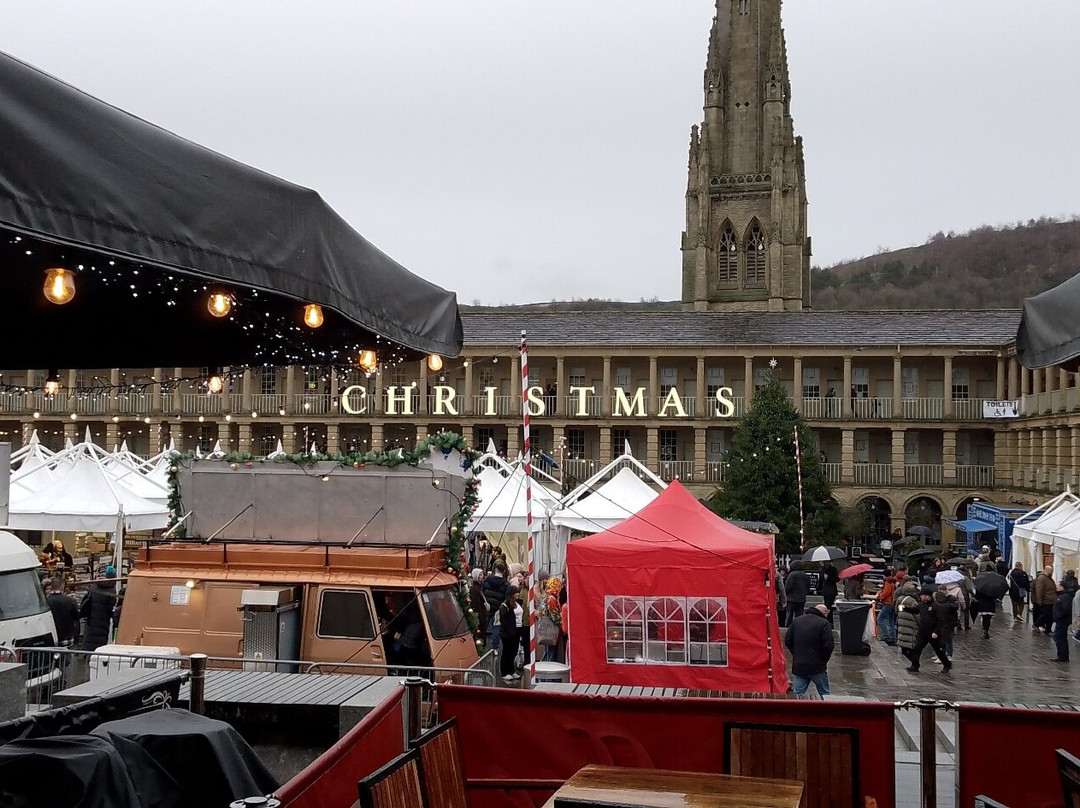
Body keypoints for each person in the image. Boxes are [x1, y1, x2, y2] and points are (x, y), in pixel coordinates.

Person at [784, 604, 834, 697]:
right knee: (825, 694)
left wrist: (796, 653)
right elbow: (829, 646)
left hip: (800, 665)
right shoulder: (824, 623)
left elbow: (788, 640)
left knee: (798, 695)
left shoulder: (797, 621)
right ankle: (828, 711)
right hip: (817, 667)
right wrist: (823, 660)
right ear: (824, 612)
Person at [906, 584, 952, 673]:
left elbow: (941, 620)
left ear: (927, 596)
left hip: (933, 633)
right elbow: (914, 610)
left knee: (938, 650)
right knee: (917, 648)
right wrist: (905, 608)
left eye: (922, 596)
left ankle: (947, 664)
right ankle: (915, 665)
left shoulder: (936, 606)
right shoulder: (921, 605)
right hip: (923, 632)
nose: (921, 597)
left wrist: (936, 632)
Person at [80, 566, 118, 652]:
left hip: (91, 619)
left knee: (89, 639)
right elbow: (110, 607)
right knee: (100, 642)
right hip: (103, 620)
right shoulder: (111, 590)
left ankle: (86, 654)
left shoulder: (94, 585)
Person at [482, 559, 510, 649]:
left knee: (484, 625)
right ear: (504, 570)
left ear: (494, 569)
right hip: (498, 608)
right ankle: (495, 647)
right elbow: (506, 597)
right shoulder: (505, 584)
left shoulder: (487, 580)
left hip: (488, 606)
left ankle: (481, 645)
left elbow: (483, 591)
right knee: (496, 627)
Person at [498, 586, 523, 682]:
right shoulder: (505, 606)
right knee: (506, 652)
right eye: (516, 593)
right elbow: (504, 621)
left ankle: (512, 670)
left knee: (513, 652)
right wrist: (509, 631)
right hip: (507, 633)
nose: (518, 594)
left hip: (517, 631)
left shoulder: (517, 603)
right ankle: (505, 672)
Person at [46, 577, 80, 647]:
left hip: (52, 636)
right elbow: (76, 617)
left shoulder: (45, 601)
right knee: (67, 656)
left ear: (51, 586)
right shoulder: (70, 600)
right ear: (62, 586)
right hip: (67, 635)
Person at [931, 586, 960, 662]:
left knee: (948, 639)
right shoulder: (939, 599)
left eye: (942, 590)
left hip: (950, 622)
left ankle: (949, 654)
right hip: (943, 622)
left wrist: (946, 605)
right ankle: (941, 654)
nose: (940, 592)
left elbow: (955, 606)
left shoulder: (951, 598)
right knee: (941, 638)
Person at [895, 577, 921, 662]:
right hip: (911, 625)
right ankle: (914, 662)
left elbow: (897, 610)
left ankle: (912, 662)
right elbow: (917, 615)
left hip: (902, 624)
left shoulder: (900, 599)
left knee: (903, 644)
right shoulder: (913, 601)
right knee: (911, 644)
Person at [784, 562, 811, 627]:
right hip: (802, 598)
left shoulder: (792, 574)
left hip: (791, 598)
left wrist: (785, 593)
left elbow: (788, 586)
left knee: (789, 615)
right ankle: (798, 627)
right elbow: (808, 586)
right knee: (799, 615)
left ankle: (788, 627)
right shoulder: (805, 575)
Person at [875, 569, 897, 645]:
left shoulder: (888, 582)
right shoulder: (892, 581)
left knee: (880, 619)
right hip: (892, 603)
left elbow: (886, 593)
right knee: (891, 621)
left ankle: (886, 636)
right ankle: (892, 637)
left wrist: (878, 596)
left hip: (888, 603)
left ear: (884, 575)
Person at [1052, 580, 1072, 663]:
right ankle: (1061, 655)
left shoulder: (1064, 597)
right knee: (1058, 637)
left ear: (1062, 586)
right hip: (1060, 620)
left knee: (1060, 638)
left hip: (1062, 621)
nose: (1056, 586)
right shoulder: (1061, 596)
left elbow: (1065, 609)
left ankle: (1063, 656)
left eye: (1057, 585)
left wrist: (1058, 616)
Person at [1032, 565, 1057, 634]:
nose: (1052, 572)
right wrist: (1039, 601)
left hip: (1051, 600)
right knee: (1046, 614)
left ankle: (1048, 630)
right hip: (1046, 600)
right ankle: (1036, 624)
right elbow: (1039, 590)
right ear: (1046, 570)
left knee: (1050, 616)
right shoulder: (1042, 578)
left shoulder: (1049, 578)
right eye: (1051, 570)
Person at [468, 568, 488, 648]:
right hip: (480, 617)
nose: (482, 576)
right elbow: (476, 605)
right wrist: (480, 618)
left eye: (482, 574)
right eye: (480, 575)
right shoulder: (475, 589)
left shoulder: (479, 587)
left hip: (481, 615)